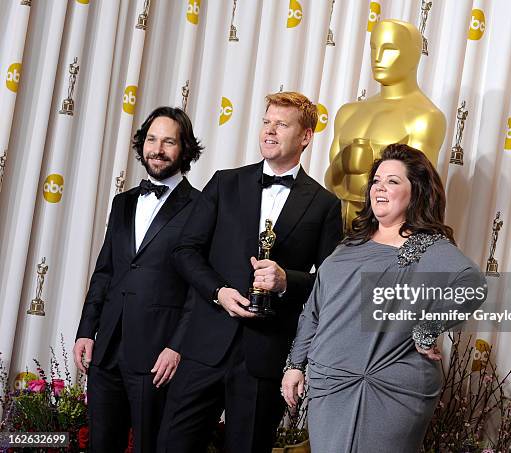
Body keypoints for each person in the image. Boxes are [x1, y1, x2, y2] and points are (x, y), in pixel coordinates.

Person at [158, 92, 343, 453]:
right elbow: (185, 251)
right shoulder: (224, 183)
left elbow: (330, 283)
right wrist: (218, 292)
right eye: (266, 122)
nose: (270, 131)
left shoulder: (325, 205)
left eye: (282, 124)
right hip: (205, 346)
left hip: (265, 356)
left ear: (305, 136)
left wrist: (287, 280)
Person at [282, 144, 487, 453]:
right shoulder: (349, 246)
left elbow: (472, 284)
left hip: (388, 386)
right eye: (377, 180)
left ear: (415, 192)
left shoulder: (427, 247)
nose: (380, 188)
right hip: (329, 384)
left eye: (393, 181)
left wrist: (428, 328)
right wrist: (296, 364)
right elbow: (315, 310)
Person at [73, 106, 203, 453]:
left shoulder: (202, 207)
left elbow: (198, 290)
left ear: (185, 149)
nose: (157, 149)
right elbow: (106, 272)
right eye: (151, 139)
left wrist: (176, 347)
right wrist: (87, 331)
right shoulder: (123, 202)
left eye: (169, 142)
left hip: (157, 355)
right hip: (107, 350)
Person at [325, 19, 446, 230]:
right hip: (334, 233)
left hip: (383, 239)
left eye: (389, 49)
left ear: (414, 55)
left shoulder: (424, 118)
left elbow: (417, 194)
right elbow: (330, 183)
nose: (378, 58)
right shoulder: (348, 112)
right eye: (374, 48)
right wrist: (342, 162)